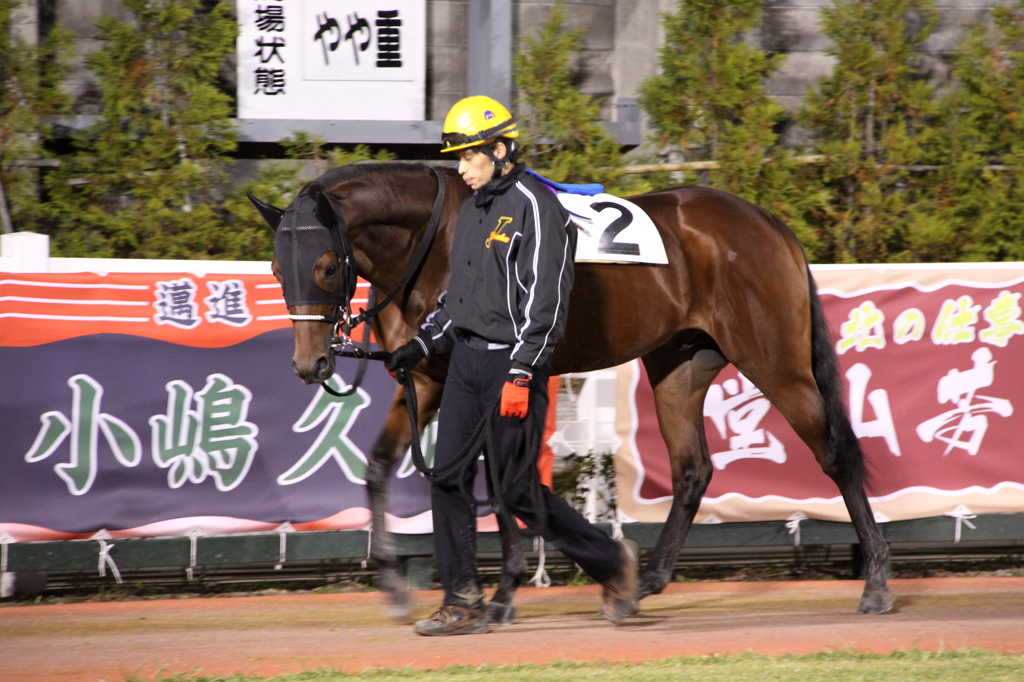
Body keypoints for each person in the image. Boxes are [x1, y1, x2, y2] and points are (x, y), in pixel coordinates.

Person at [385, 95, 637, 636]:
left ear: (499, 150)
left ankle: (612, 563)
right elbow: (459, 297)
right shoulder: (472, 210)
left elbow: (545, 307)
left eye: (468, 156)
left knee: (516, 492)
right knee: (447, 479)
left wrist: (522, 373)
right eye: (456, 156)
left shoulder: (538, 209)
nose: (460, 167)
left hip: (512, 368)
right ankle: (461, 600)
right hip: (468, 363)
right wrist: (422, 343)